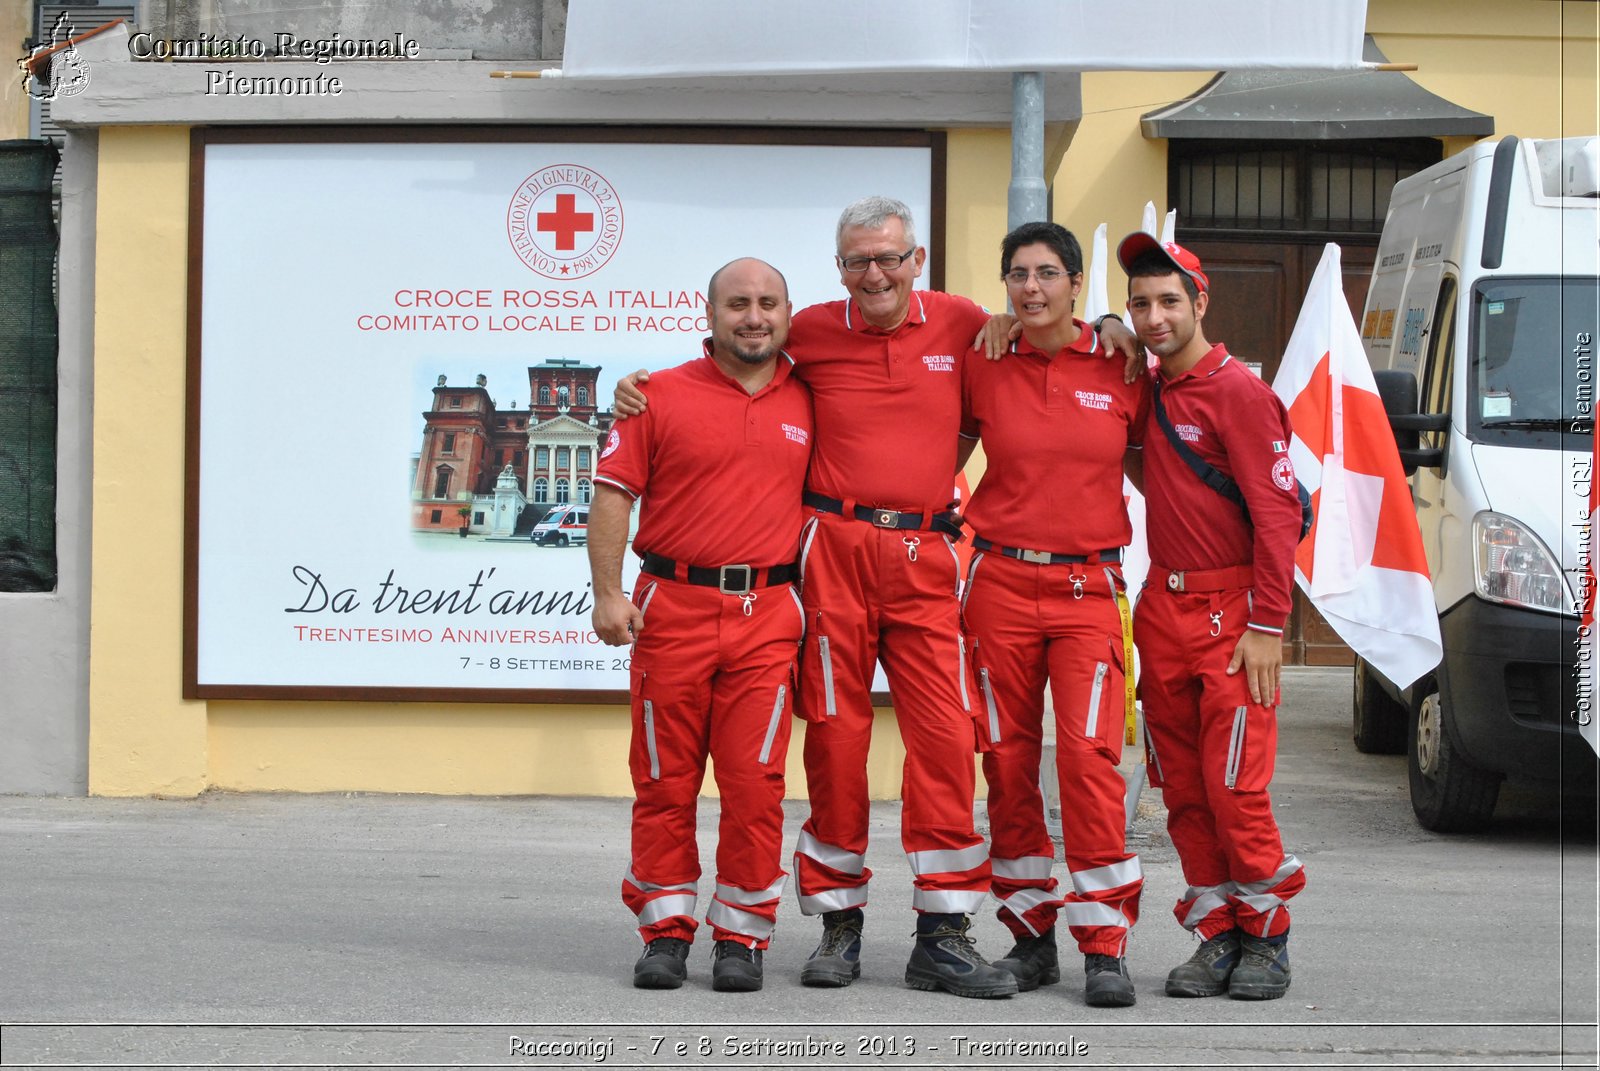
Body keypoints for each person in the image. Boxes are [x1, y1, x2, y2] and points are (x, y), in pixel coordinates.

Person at [614, 197, 1138, 1000]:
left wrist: (1111, 323)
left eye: (889, 257)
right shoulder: (814, 330)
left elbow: (1040, 325)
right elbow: (732, 359)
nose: (876, 273)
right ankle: (839, 925)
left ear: (917, 259)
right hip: (834, 552)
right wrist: (633, 386)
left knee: (944, 739)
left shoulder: (967, 324)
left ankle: (943, 931)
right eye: (859, 260)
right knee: (833, 739)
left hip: (929, 554)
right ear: (838, 270)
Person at [589, 257, 812, 994]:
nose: (755, 317)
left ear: (788, 312)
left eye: (769, 303)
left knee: (755, 785)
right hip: (673, 610)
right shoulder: (655, 395)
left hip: (768, 615)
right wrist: (608, 592)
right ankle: (664, 929)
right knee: (663, 779)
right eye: (739, 303)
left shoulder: (813, 393)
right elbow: (614, 493)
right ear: (709, 312)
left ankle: (742, 936)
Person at [957, 221, 1150, 1007]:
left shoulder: (1123, 362)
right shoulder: (984, 358)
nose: (1030, 288)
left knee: (1086, 761)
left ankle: (1104, 945)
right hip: (999, 584)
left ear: (1076, 283)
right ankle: (1030, 938)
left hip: (1087, 592)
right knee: (1004, 762)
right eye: (1016, 275)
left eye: (1046, 274)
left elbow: (1183, 433)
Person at [1116, 233, 1306, 1001]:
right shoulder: (1150, 385)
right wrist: (1108, 328)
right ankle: (1217, 934)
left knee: (1236, 787)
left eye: (1168, 301)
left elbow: (1279, 518)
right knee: (1181, 787)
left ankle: (1268, 936)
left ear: (1201, 301)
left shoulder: (1240, 393)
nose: (1154, 316)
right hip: (1164, 607)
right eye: (1140, 304)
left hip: (1235, 617)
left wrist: (1268, 624)